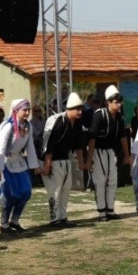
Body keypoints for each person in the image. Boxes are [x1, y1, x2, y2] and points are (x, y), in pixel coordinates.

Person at [0, 99, 40, 233]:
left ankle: (14, 220)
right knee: (9, 194)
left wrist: (35, 165)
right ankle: (4, 223)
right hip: (4, 160)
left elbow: (30, 146)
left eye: (28, 110)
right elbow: (1, 147)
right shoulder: (8, 126)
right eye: (24, 110)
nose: (27, 113)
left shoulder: (28, 126)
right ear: (16, 111)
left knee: (26, 191)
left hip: (18, 160)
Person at [87, 85, 131, 221]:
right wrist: (89, 159)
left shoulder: (120, 118)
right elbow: (92, 138)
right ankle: (101, 211)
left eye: (120, 102)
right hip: (98, 151)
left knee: (113, 181)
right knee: (100, 181)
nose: (118, 105)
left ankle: (110, 210)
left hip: (111, 152)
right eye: (116, 102)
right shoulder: (99, 115)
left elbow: (123, 138)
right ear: (108, 102)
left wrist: (127, 155)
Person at [41, 92, 85, 227]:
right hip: (53, 160)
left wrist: (81, 162)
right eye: (77, 109)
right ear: (69, 109)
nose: (80, 112)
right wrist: (47, 165)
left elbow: (78, 144)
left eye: (80, 109)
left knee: (66, 189)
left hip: (66, 159)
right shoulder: (59, 122)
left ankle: (63, 217)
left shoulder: (77, 124)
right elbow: (49, 146)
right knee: (55, 190)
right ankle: (55, 219)